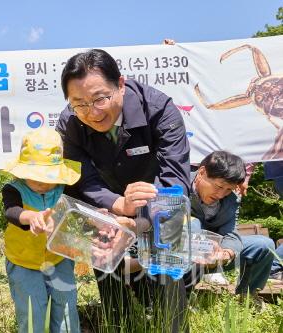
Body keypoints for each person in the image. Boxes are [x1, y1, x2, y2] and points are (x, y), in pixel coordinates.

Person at [56, 49, 191, 332]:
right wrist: (117, 208)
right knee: (107, 261)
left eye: (100, 98)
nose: (92, 112)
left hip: (157, 199)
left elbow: (175, 182)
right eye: (78, 103)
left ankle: (173, 325)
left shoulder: (160, 110)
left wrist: (137, 219)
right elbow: (82, 180)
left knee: (166, 266)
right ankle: (120, 323)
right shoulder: (70, 122)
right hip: (109, 205)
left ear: (121, 84)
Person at [1, 127, 82, 333]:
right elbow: (11, 211)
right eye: (35, 176)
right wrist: (32, 217)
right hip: (22, 262)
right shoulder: (14, 189)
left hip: (60, 258)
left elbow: (77, 214)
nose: (42, 183)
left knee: (66, 312)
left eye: (48, 177)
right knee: (32, 313)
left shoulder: (66, 188)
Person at [188, 151, 275, 295]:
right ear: (202, 172)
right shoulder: (178, 184)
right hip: (182, 251)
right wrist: (203, 242)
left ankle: (247, 298)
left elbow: (231, 234)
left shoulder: (232, 200)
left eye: (229, 189)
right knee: (194, 223)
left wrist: (227, 253)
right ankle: (179, 299)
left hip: (214, 256)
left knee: (264, 245)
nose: (221, 194)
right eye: (219, 186)